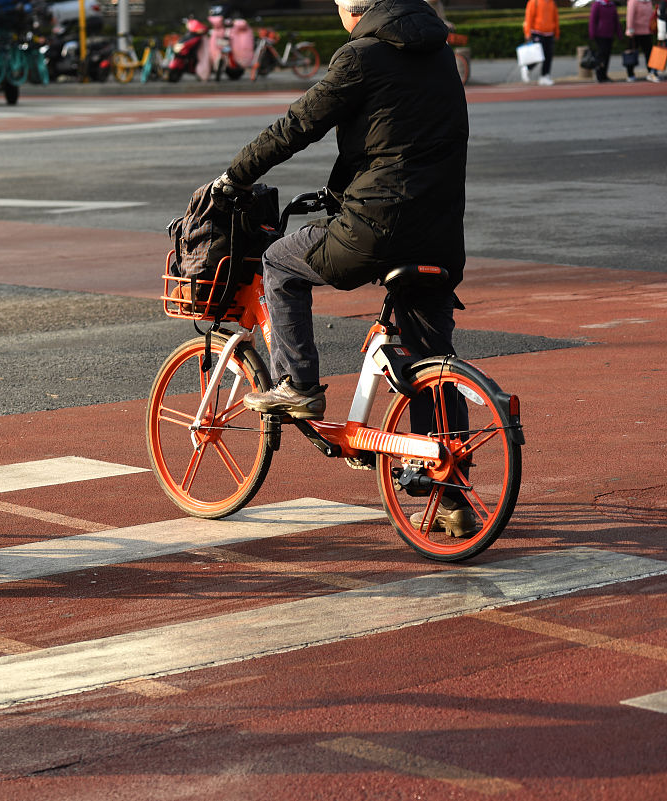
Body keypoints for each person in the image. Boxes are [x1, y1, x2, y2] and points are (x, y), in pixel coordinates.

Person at [211, 0, 472, 534]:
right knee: (432, 360)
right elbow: (399, 137)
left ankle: (297, 385)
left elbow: (295, 127)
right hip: (442, 231)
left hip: (378, 226)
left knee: (280, 260)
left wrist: (233, 177)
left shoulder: (360, 57)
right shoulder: (439, 52)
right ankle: (451, 498)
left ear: (354, 11)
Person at [523, 0, 559, 86]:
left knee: (548, 55)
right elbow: (529, 18)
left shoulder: (552, 3)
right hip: (537, 32)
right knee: (538, 55)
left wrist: (557, 32)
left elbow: (555, 18)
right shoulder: (534, 2)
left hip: (549, 33)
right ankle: (527, 68)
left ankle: (544, 76)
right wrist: (527, 32)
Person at [625, 0, 659, 80]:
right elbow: (630, 16)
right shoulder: (633, 2)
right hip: (634, 33)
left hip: (647, 32)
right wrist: (630, 29)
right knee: (631, 54)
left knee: (649, 54)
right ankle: (630, 75)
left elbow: (651, 16)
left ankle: (651, 72)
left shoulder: (648, 2)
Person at [589, 0, 619, 82]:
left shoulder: (612, 5)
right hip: (599, 35)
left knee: (607, 55)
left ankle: (604, 75)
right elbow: (592, 20)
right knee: (601, 55)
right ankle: (599, 75)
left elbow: (616, 19)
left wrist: (618, 33)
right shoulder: (597, 5)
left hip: (609, 34)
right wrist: (592, 34)